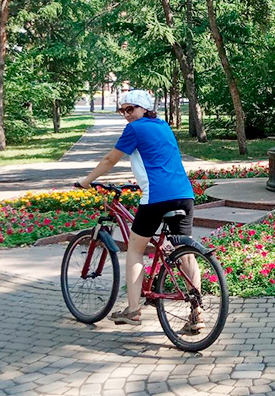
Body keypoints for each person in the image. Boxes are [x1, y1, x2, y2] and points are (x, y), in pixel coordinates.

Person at [76, 90, 201, 331]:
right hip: (184, 195)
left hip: (157, 197)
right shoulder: (163, 125)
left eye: (129, 109)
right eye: (122, 110)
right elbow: (157, 159)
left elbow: (110, 160)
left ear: (143, 108)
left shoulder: (134, 129)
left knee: (135, 249)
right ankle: (197, 313)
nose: (126, 115)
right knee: (186, 252)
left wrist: (86, 180)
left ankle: (133, 310)